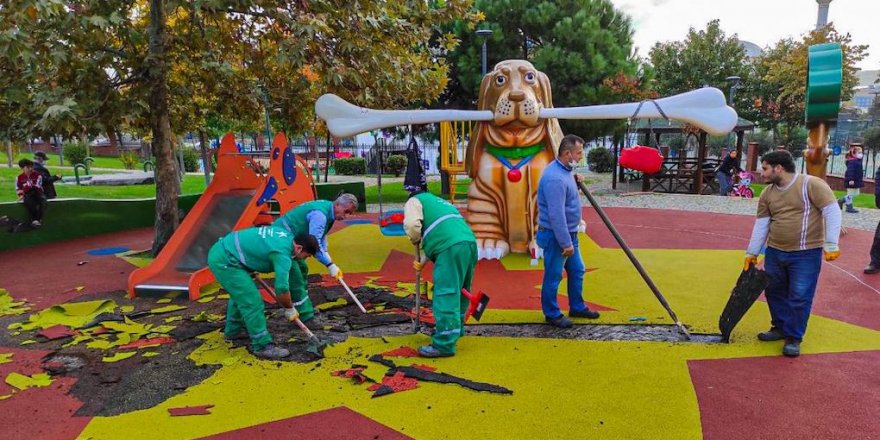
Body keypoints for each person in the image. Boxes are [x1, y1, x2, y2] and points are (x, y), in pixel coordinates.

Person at [743, 150, 841, 357]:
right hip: (775, 252)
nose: (762, 173)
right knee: (774, 291)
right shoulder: (767, 193)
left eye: (765, 168)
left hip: (805, 253)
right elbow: (762, 224)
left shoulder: (810, 184)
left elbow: (832, 211)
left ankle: (794, 337)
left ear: (779, 168)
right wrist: (752, 252)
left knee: (799, 296)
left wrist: (831, 243)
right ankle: (779, 327)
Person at [207, 227, 319, 359]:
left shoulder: (287, 237)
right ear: (299, 248)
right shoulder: (282, 254)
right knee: (252, 301)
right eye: (306, 256)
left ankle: (233, 331)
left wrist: (249, 263)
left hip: (229, 251)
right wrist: (289, 308)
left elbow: (258, 245)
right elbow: (282, 288)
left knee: (241, 295)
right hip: (225, 260)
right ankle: (262, 345)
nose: (304, 259)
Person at [536, 134, 600, 329]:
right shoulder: (555, 178)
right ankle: (552, 313)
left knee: (577, 269)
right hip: (557, 236)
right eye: (579, 153)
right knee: (554, 275)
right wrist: (565, 243)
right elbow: (556, 215)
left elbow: (567, 198)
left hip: (568, 233)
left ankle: (577, 306)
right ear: (567, 153)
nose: (581, 156)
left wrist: (575, 180)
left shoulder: (564, 171)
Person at [404, 190, 477, 358]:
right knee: (461, 290)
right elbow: (441, 231)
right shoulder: (440, 203)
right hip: (468, 243)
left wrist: (414, 238)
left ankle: (444, 343)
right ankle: (455, 329)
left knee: (446, 291)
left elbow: (412, 225)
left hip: (450, 247)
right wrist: (422, 261)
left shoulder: (413, 201)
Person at [272, 194, 358, 322]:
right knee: (295, 276)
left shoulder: (328, 209)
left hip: (289, 239)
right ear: (338, 205)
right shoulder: (320, 215)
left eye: (349, 213)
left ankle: (301, 305)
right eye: (346, 212)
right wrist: (329, 264)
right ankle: (305, 315)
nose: (345, 216)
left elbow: (321, 237)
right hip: (281, 239)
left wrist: (328, 256)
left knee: (302, 268)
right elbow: (314, 244)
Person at [15, 159, 47, 227]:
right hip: (27, 195)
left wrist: (25, 189)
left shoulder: (38, 175)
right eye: (28, 167)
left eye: (31, 167)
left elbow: (37, 186)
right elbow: (18, 189)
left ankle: (37, 219)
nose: (30, 169)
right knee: (28, 202)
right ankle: (36, 220)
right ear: (22, 168)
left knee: (42, 201)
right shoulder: (19, 178)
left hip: (38, 193)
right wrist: (22, 193)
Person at [837, 145, 863, 213]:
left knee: (855, 194)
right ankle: (848, 206)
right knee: (851, 194)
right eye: (859, 152)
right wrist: (851, 180)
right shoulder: (852, 162)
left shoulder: (857, 161)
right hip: (852, 181)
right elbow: (850, 171)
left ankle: (841, 201)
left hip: (856, 181)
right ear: (854, 154)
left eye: (861, 152)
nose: (861, 154)